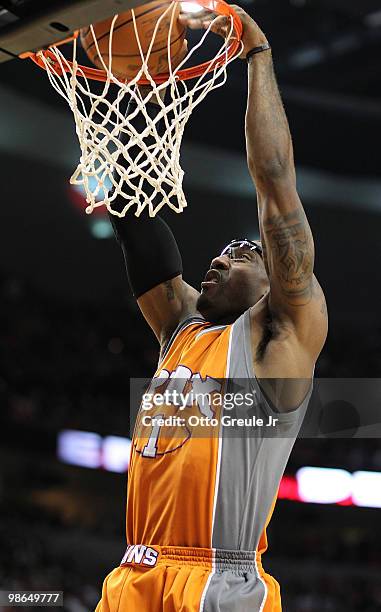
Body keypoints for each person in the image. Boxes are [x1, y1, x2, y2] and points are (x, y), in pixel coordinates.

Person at [96, 5, 328, 611]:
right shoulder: (182, 326)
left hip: (216, 583)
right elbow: (139, 229)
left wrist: (258, 56)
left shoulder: (281, 337)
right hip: (133, 577)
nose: (222, 259)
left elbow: (276, 182)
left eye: (243, 253)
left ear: (273, 278)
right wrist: (117, 98)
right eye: (220, 253)